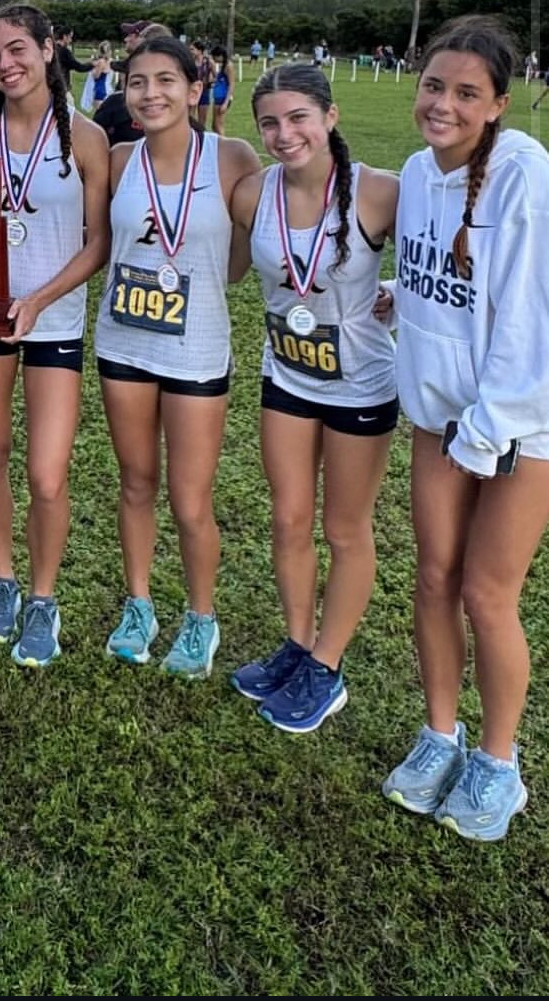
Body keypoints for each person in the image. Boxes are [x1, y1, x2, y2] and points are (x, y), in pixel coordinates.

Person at [381, 16, 549, 841]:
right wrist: (398, 294)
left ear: (498, 104)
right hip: (439, 417)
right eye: (435, 86)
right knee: (433, 578)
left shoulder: (524, 175)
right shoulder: (417, 172)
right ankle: (439, 735)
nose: (443, 104)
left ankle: (498, 763)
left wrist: (492, 426)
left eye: (466, 93)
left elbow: (529, 317)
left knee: (488, 594)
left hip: (522, 425)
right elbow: (441, 283)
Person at [227, 62, 399, 731]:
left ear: (330, 117)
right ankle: (299, 645)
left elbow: (440, 256)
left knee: (345, 529)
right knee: (289, 518)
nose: (283, 133)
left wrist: (401, 296)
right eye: (269, 121)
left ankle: (327, 668)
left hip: (360, 385)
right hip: (287, 377)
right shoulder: (251, 193)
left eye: (298, 117)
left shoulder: (379, 193)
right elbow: (234, 263)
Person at [0, 3, 110, 667]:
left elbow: (97, 241)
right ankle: (4, 578)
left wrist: (39, 300)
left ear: (49, 49)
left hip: (53, 321)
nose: (6, 64)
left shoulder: (87, 137)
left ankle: (44, 597)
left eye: (17, 49)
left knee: (46, 475)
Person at [95, 35, 259, 672]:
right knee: (136, 483)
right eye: (138, 82)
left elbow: (246, 259)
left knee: (192, 500)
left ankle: (200, 618)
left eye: (166, 81)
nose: (151, 93)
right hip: (124, 343)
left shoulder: (231, 157)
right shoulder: (117, 159)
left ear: (195, 91)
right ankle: (138, 605)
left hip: (196, 352)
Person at [209, 44, 233, 136]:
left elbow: (231, 84)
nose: (214, 60)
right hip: (218, 98)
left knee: (218, 126)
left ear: (220, 55)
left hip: (223, 99)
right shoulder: (223, 66)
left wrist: (225, 103)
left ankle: (224, 146)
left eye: (215, 57)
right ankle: (218, 145)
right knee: (214, 126)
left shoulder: (228, 66)